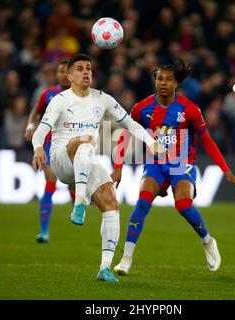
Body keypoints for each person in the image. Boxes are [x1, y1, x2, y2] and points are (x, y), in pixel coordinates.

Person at [31, 53, 165, 282]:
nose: (86, 72)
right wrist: (37, 148)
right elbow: (41, 130)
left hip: (86, 161)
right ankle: (80, 201)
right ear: (70, 75)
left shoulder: (103, 99)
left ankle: (105, 268)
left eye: (89, 68)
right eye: (80, 68)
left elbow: (130, 123)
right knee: (83, 142)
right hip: (62, 159)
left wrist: (151, 141)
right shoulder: (60, 100)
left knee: (111, 203)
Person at [111, 60, 235, 276]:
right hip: (155, 165)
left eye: (168, 79)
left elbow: (207, 140)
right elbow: (124, 135)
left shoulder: (190, 109)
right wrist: (118, 167)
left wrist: (226, 171)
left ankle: (208, 241)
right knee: (142, 204)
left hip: (182, 165)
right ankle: (126, 259)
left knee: (182, 205)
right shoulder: (141, 109)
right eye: (159, 78)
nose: (163, 83)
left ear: (176, 84)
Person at [25, 61, 75, 243]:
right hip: (49, 145)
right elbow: (35, 112)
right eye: (59, 71)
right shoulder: (48, 94)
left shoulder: (81, 95)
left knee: (72, 183)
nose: (62, 74)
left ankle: (77, 211)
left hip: (72, 145)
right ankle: (44, 231)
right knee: (51, 180)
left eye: (65, 71)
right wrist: (31, 124)